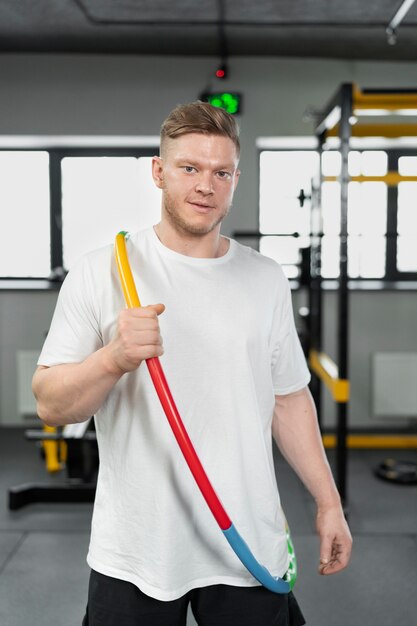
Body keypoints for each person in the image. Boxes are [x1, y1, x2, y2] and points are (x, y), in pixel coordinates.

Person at [32, 101, 352, 626]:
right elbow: (50, 404)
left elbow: (290, 399)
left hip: (247, 540)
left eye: (220, 172)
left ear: (235, 179)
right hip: (136, 550)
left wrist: (327, 502)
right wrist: (113, 358)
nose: (206, 185)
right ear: (158, 172)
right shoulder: (101, 273)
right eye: (189, 168)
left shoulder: (265, 278)